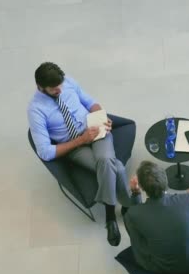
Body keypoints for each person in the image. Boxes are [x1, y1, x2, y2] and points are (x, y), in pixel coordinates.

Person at [27, 62, 133, 247]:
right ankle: (123, 209)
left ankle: (110, 218)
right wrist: (81, 140)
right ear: (40, 87)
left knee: (107, 161)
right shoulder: (36, 110)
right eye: (53, 89)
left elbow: (91, 103)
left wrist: (101, 116)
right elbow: (45, 152)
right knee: (116, 166)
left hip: (96, 130)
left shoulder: (67, 82)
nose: (59, 90)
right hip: (75, 147)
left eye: (60, 85)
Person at [124, 161, 189, 274]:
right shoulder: (187, 200)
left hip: (161, 269)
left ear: (142, 187)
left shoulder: (133, 214)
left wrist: (135, 193)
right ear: (166, 180)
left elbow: (137, 238)